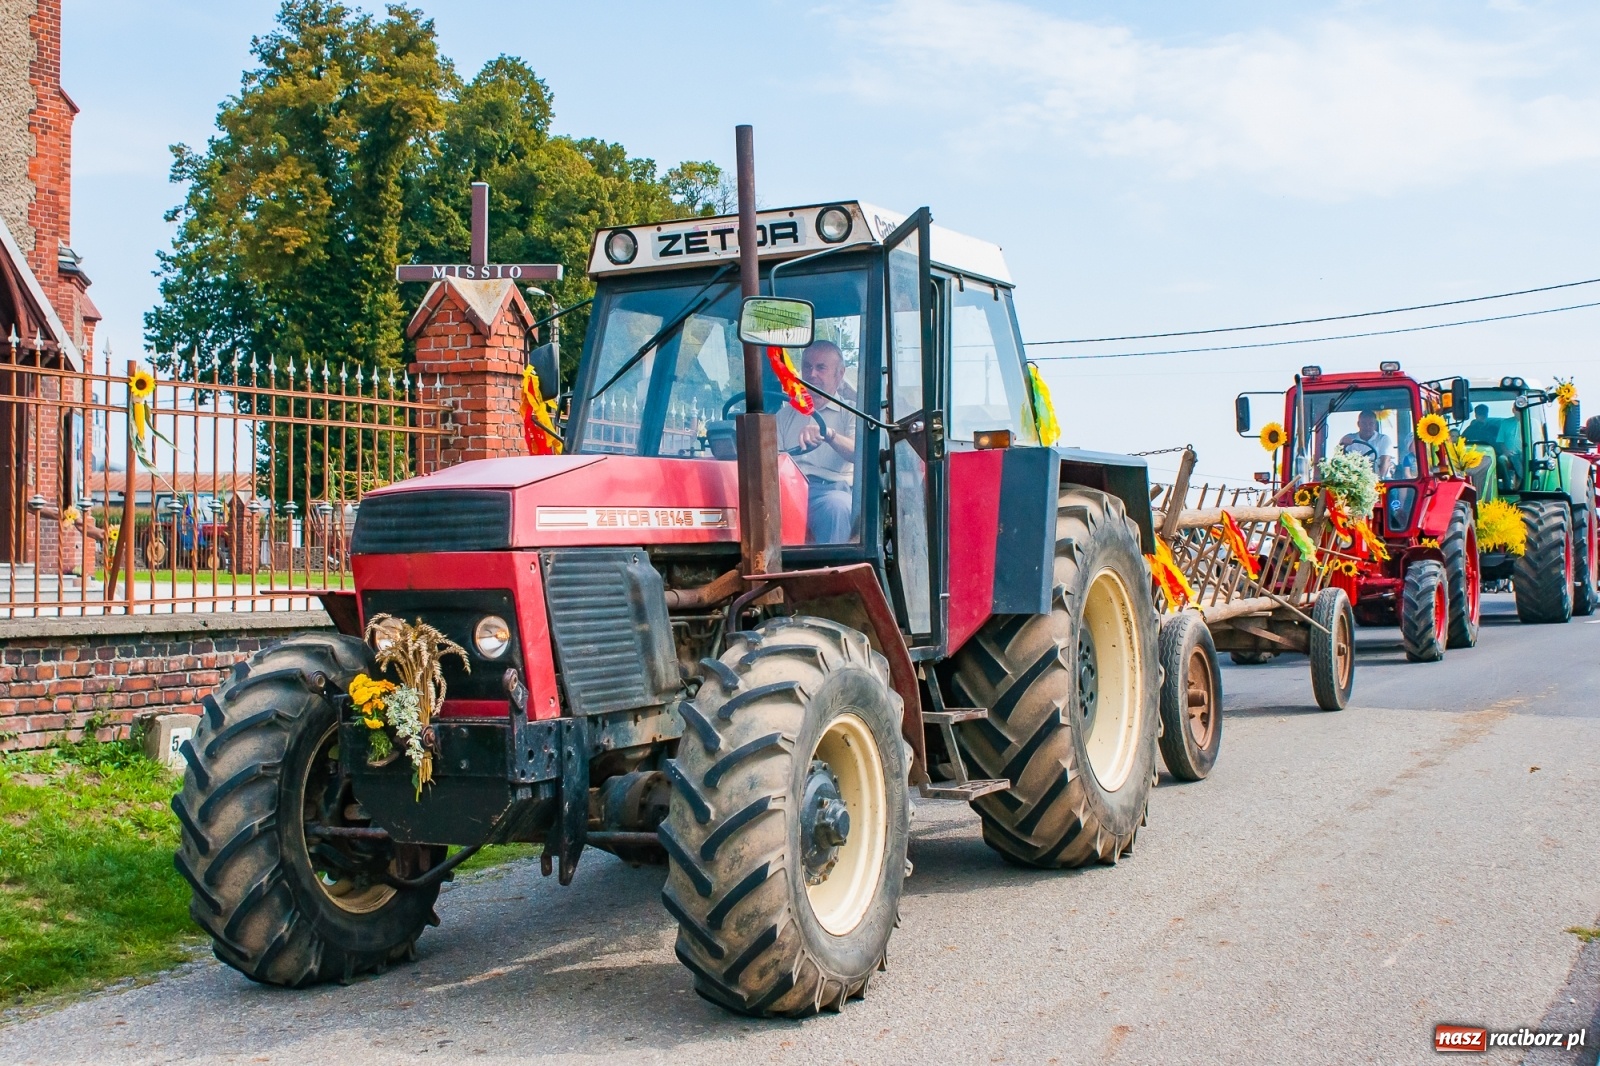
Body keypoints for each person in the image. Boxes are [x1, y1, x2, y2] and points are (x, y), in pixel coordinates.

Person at [775, 340, 857, 543]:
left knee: (836, 507)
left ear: (839, 374)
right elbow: (771, 461)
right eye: (807, 367)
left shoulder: (852, 412)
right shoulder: (785, 415)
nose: (812, 375)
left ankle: (832, 572)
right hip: (790, 489)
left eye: (821, 368)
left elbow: (859, 453)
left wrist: (829, 435)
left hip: (832, 489)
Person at [1338, 409, 1394, 478]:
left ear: (1375, 425)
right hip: (1355, 479)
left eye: (1371, 423)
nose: (1367, 427)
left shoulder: (1383, 439)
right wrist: (1343, 445)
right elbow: (1339, 459)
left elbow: (1385, 462)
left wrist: (1379, 481)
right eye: (1364, 423)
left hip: (1381, 479)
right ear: (1358, 424)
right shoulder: (1349, 438)